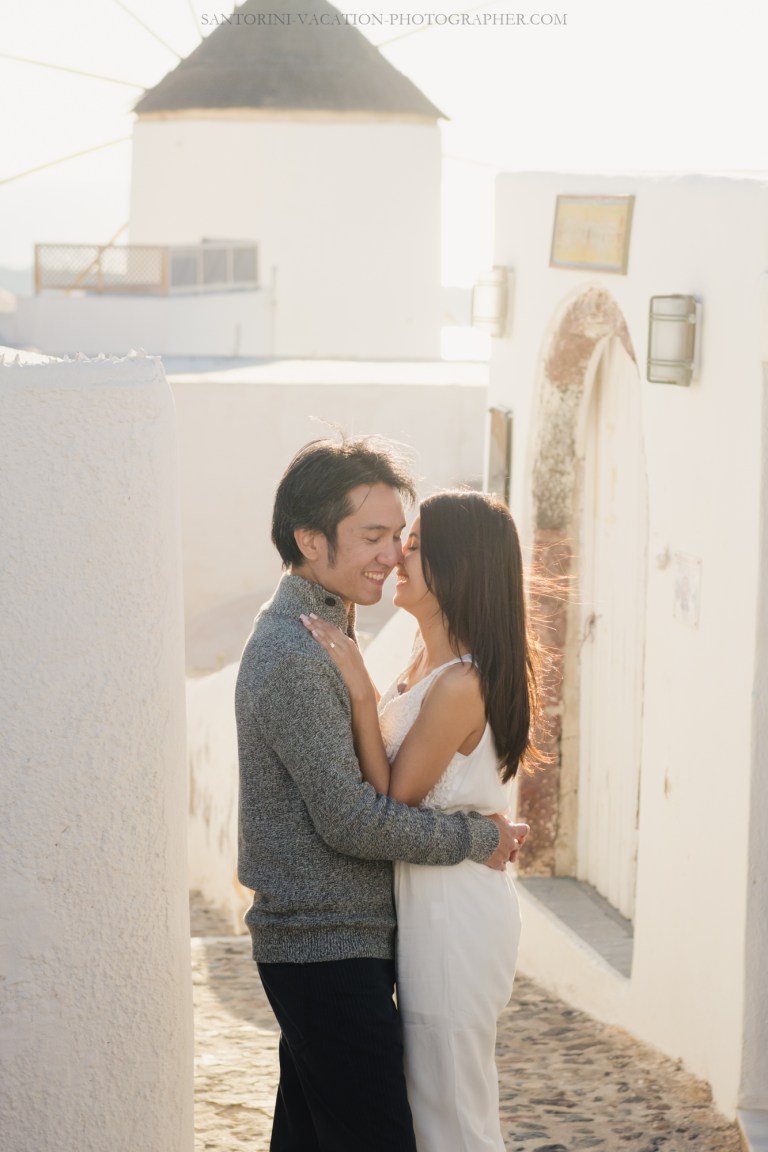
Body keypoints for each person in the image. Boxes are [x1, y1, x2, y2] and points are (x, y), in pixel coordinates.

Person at [236, 437, 524, 1152]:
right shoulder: (299, 652)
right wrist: (478, 838)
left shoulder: (333, 631)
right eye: (376, 536)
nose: (393, 554)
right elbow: (354, 820)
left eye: (401, 537)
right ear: (309, 539)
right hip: (326, 947)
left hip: (358, 939)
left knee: (321, 1133)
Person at [302, 488, 542, 1152]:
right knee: (429, 1098)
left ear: (456, 566)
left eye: (413, 547)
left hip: (456, 913)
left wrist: (358, 689)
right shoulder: (419, 663)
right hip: (426, 900)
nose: (395, 558)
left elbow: (391, 801)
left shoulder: (462, 682)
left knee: (451, 1107)